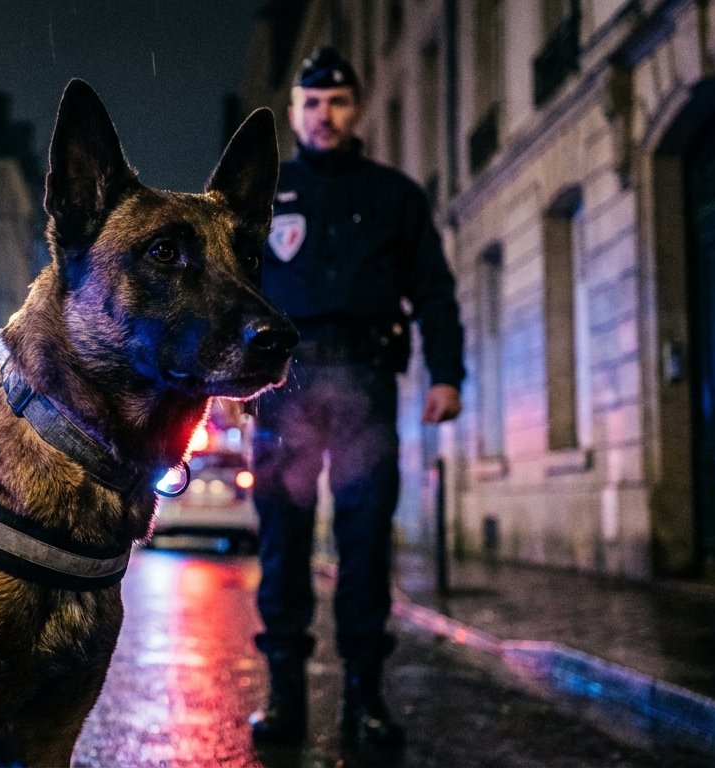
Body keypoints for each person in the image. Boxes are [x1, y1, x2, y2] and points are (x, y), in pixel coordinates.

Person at [248, 46, 464, 749]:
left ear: (357, 109)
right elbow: (231, 294)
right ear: (293, 113)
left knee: (365, 543)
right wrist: (220, 380)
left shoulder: (394, 194)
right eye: (311, 103)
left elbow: (433, 288)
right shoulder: (265, 192)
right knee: (282, 542)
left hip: (368, 386)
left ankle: (365, 701)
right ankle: (285, 702)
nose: (325, 115)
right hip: (287, 387)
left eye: (337, 102)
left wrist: (446, 374)